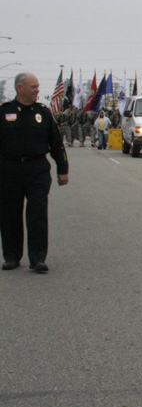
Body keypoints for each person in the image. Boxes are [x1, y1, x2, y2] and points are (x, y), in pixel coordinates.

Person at [0, 73, 69, 273]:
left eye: (37, 86)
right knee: (10, 214)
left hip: (37, 169)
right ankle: (12, 257)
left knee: (37, 214)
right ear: (20, 88)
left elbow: (56, 143)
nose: (37, 90)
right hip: (9, 169)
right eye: (33, 87)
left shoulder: (43, 113)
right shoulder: (4, 111)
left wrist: (63, 170)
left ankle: (38, 258)